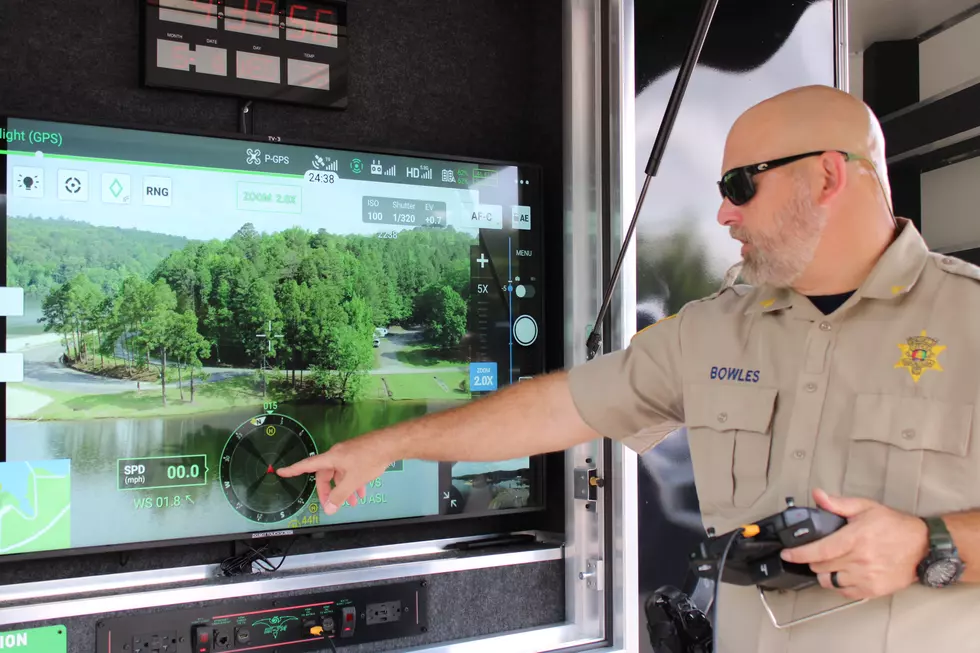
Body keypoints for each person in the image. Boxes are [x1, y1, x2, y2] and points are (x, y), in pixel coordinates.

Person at [279, 84, 980, 652]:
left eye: (742, 185)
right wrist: (387, 444)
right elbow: (562, 406)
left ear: (828, 175)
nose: (723, 212)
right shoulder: (714, 328)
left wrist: (930, 543)